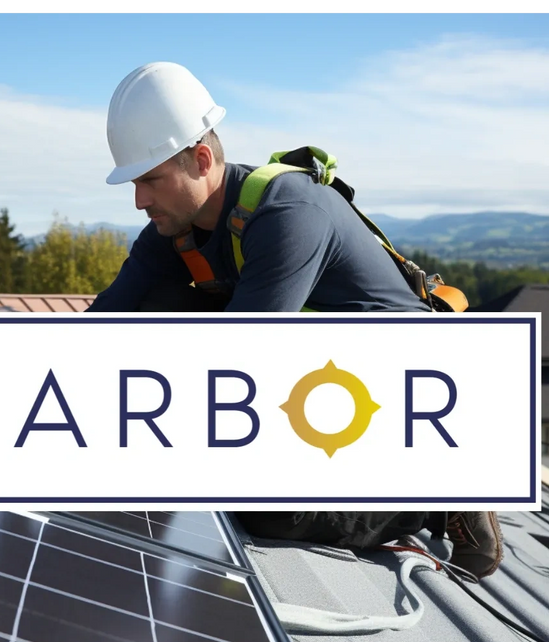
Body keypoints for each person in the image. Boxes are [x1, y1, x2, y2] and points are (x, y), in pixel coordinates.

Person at [85, 61, 504, 579]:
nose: (138, 199)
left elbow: (240, 366)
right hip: (319, 375)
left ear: (200, 159)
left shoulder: (287, 215)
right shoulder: (178, 229)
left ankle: (436, 495)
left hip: (392, 397)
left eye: (150, 179)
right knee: (157, 306)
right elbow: (104, 323)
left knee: (268, 508)